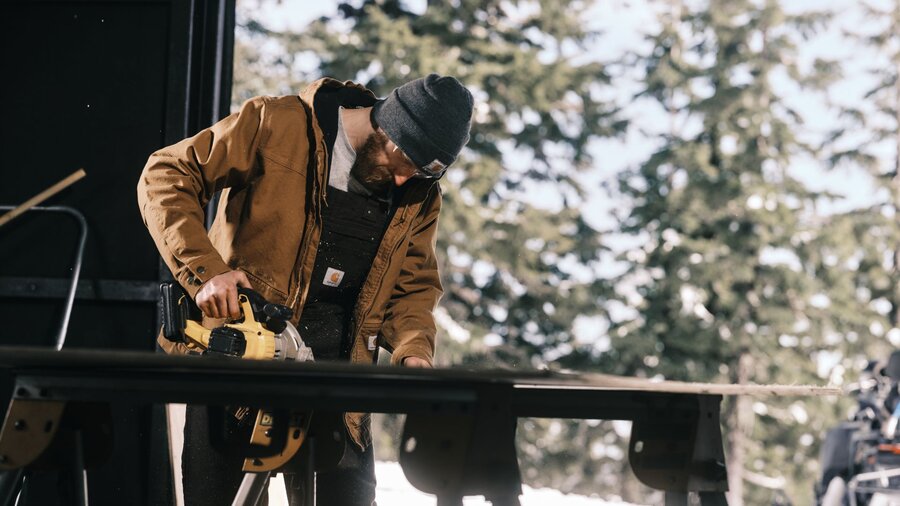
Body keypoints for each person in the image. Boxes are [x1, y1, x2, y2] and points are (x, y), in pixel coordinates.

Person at [137, 74, 474, 505]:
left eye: (426, 171)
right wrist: (207, 273)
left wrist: (414, 350)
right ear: (386, 127)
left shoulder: (419, 191)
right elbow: (165, 173)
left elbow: (414, 285)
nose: (406, 180)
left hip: (339, 380)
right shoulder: (277, 124)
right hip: (239, 364)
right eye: (404, 161)